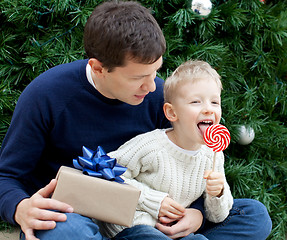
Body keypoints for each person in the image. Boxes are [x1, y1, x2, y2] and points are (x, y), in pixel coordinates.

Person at [0, 1, 271, 240]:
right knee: (69, 231)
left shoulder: (159, 99)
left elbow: (190, 164)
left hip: (151, 218)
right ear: (98, 68)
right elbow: (7, 175)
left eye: (155, 72)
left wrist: (197, 213)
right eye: (138, 77)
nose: (152, 86)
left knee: (254, 215)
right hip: (78, 214)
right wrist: (19, 207)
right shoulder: (47, 95)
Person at [98, 60, 233, 239]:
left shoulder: (213, 153)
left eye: (215, 102)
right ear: (171, 113)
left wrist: (218, 194)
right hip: (136, 226)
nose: (208, 109)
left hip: (176, 228)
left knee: (254, 216)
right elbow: (106, 172)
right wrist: (154, 200)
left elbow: (218, 216)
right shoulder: (151, 146)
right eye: (196, 102)